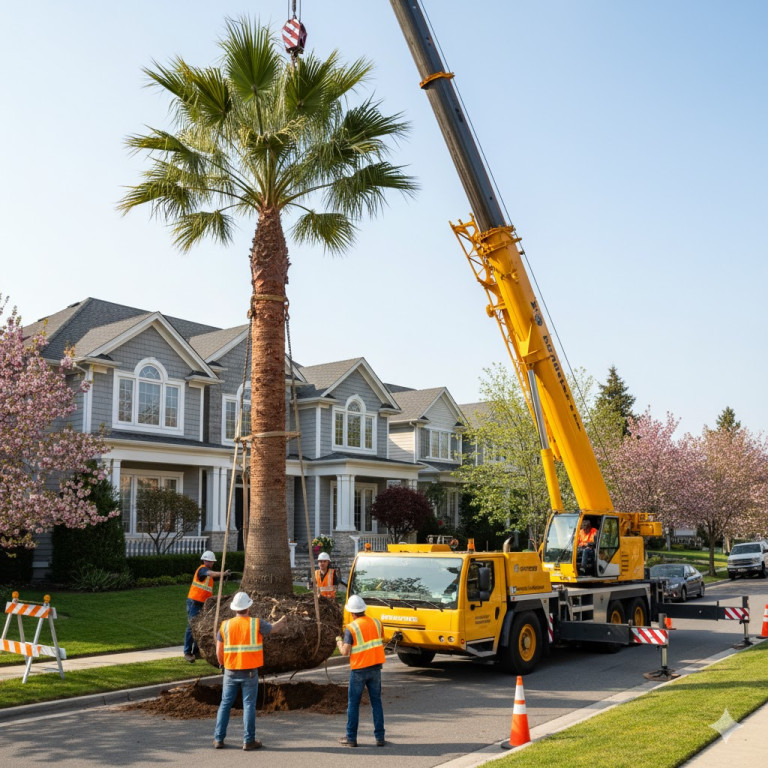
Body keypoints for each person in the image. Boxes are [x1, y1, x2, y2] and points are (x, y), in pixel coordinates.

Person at [214, 591, 287, 750]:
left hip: (230, 671)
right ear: (248, 607)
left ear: (234, 609)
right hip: (249, 673)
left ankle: (218, 739)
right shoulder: (256, 623)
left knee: (225, 704)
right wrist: (283, 620)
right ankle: (248, 741)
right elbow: (274, 629)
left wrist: (223, 665)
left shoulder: (225, 625)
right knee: (248, 705)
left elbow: (219, 650)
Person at [335, 595, 386, 748]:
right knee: (376, 702)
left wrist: (338, 640)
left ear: (352, 613)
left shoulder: (351, 628)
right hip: (376, 668)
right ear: (364, 609)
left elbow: (345, 651)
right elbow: (378, 639)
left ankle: (351, 738)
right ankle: (380, 737)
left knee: (353, 704)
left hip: (359, 670)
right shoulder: (377, 623)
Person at [184, 550, 230, 663]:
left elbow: (213, 576)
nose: (212, 563)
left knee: (199, 627)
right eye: (210, 561)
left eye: (213, 561)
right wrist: (223, 573)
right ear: (205, 561)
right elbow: (211, 574)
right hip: (194, 603)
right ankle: (187, 652)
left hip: (203, 604)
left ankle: (196, 651)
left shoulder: (208, 572)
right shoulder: (202, 570)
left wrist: (223, 576)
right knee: (192, 627)